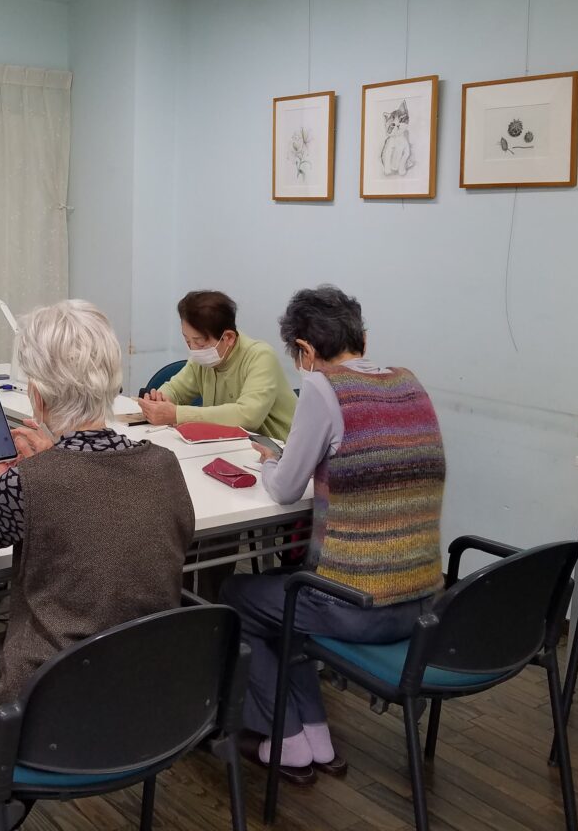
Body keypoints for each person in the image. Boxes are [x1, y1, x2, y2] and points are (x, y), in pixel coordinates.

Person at [0, 300, 195, 831]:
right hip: (147, 691)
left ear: (37, 397)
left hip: (45, 702)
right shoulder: (165, 466)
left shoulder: (30, 481)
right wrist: (54, 455)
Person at [220, 285, 445, 786]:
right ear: (362, 337)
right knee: (285, 590)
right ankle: (314, 735)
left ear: (305, 349)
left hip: (358, 605)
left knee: (238, 596)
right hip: (423, 602)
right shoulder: (409, 381)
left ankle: (283, 737)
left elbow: (284, 489)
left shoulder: (324, 388)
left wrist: (272, 460)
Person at [138, 289, 296, 440]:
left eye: (199, 343)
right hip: (230, 445)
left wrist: (177, 414)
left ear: (228, 338)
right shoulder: (201, 359)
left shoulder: (260, 357)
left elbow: (247, 417)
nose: (193, 350)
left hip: (278, 450)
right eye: (187, 341)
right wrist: (159, 400)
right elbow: (176, 389)